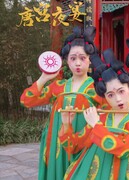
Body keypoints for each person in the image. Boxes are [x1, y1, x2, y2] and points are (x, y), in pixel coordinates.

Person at [20, 26, 106, 180]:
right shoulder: (58, 86)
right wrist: (44, 78)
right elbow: (27, 100)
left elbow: (105, 114)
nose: (78, 63)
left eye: (83, 58)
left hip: (85, 141)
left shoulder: (97, 88)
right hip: (57, 142)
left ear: (90, 60)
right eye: (73, 58)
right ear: (66, 61)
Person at [59, 49, 129, 180]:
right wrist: (67, 124)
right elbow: (73, 147)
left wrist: (96, 125)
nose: (118, 99)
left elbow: (123, 150)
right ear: (105, 97)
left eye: (121, 91)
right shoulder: (101, 118)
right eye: (110, 95)